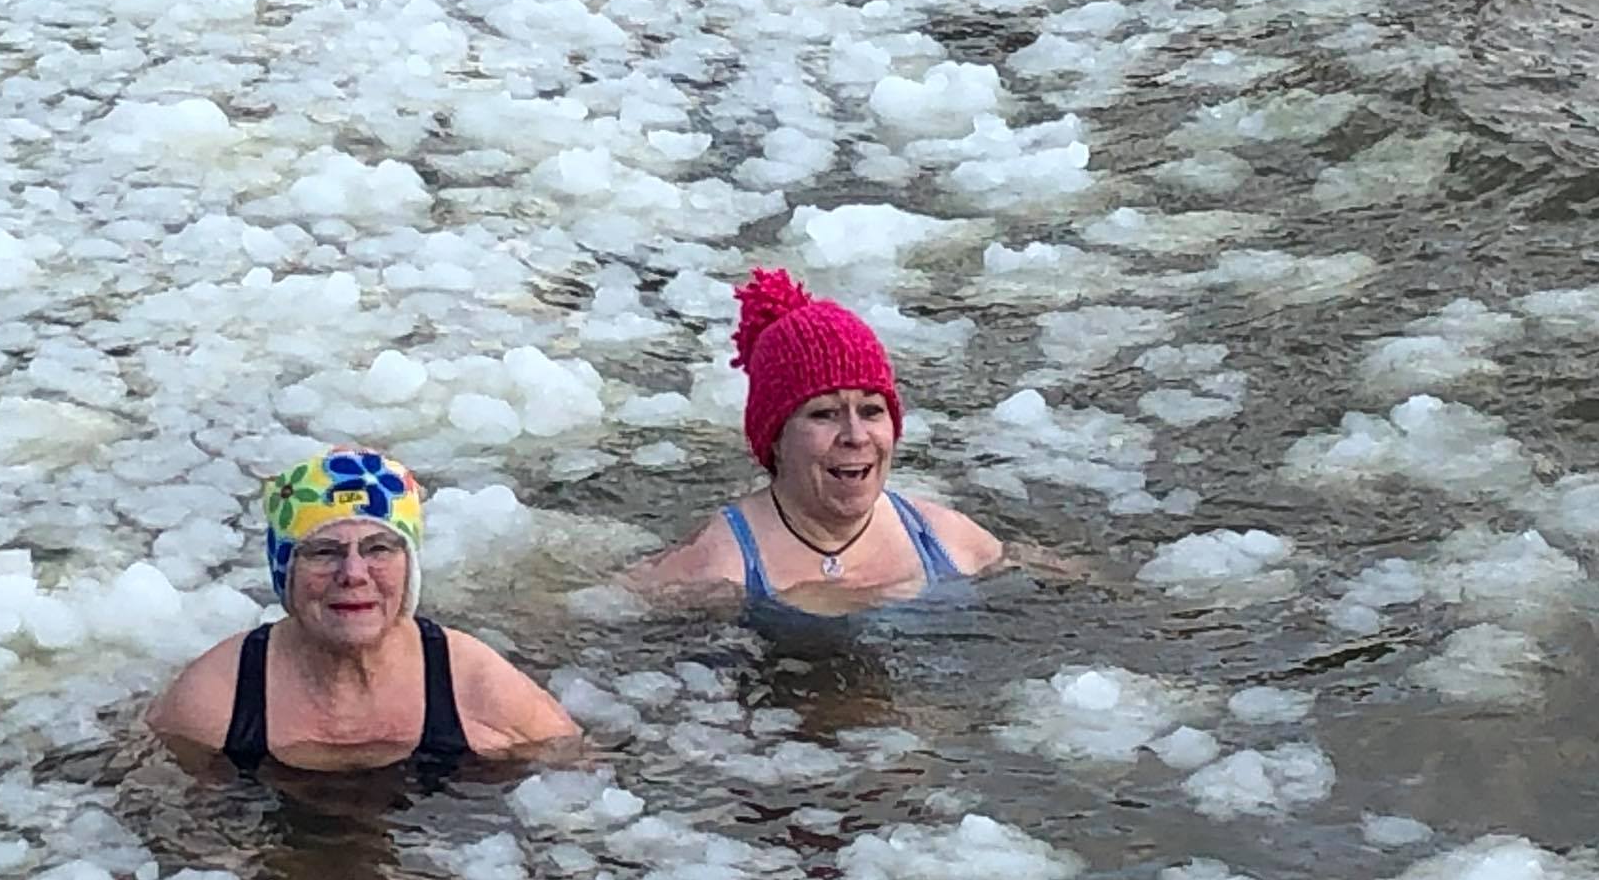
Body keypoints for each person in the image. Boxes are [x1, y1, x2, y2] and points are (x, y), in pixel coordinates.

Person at [150, 447, 579, 773]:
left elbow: (576, 782)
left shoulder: (478, 687)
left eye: (379, 549)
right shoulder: (217, 702)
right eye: (323, 552)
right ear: (286, 573)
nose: (353, 573)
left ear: (409, 567)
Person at [632, 269, 1008, 613]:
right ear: (775, 437)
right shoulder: (720, 564)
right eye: (824, 413)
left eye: (872, 411)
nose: (856, 436)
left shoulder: (946, 540)